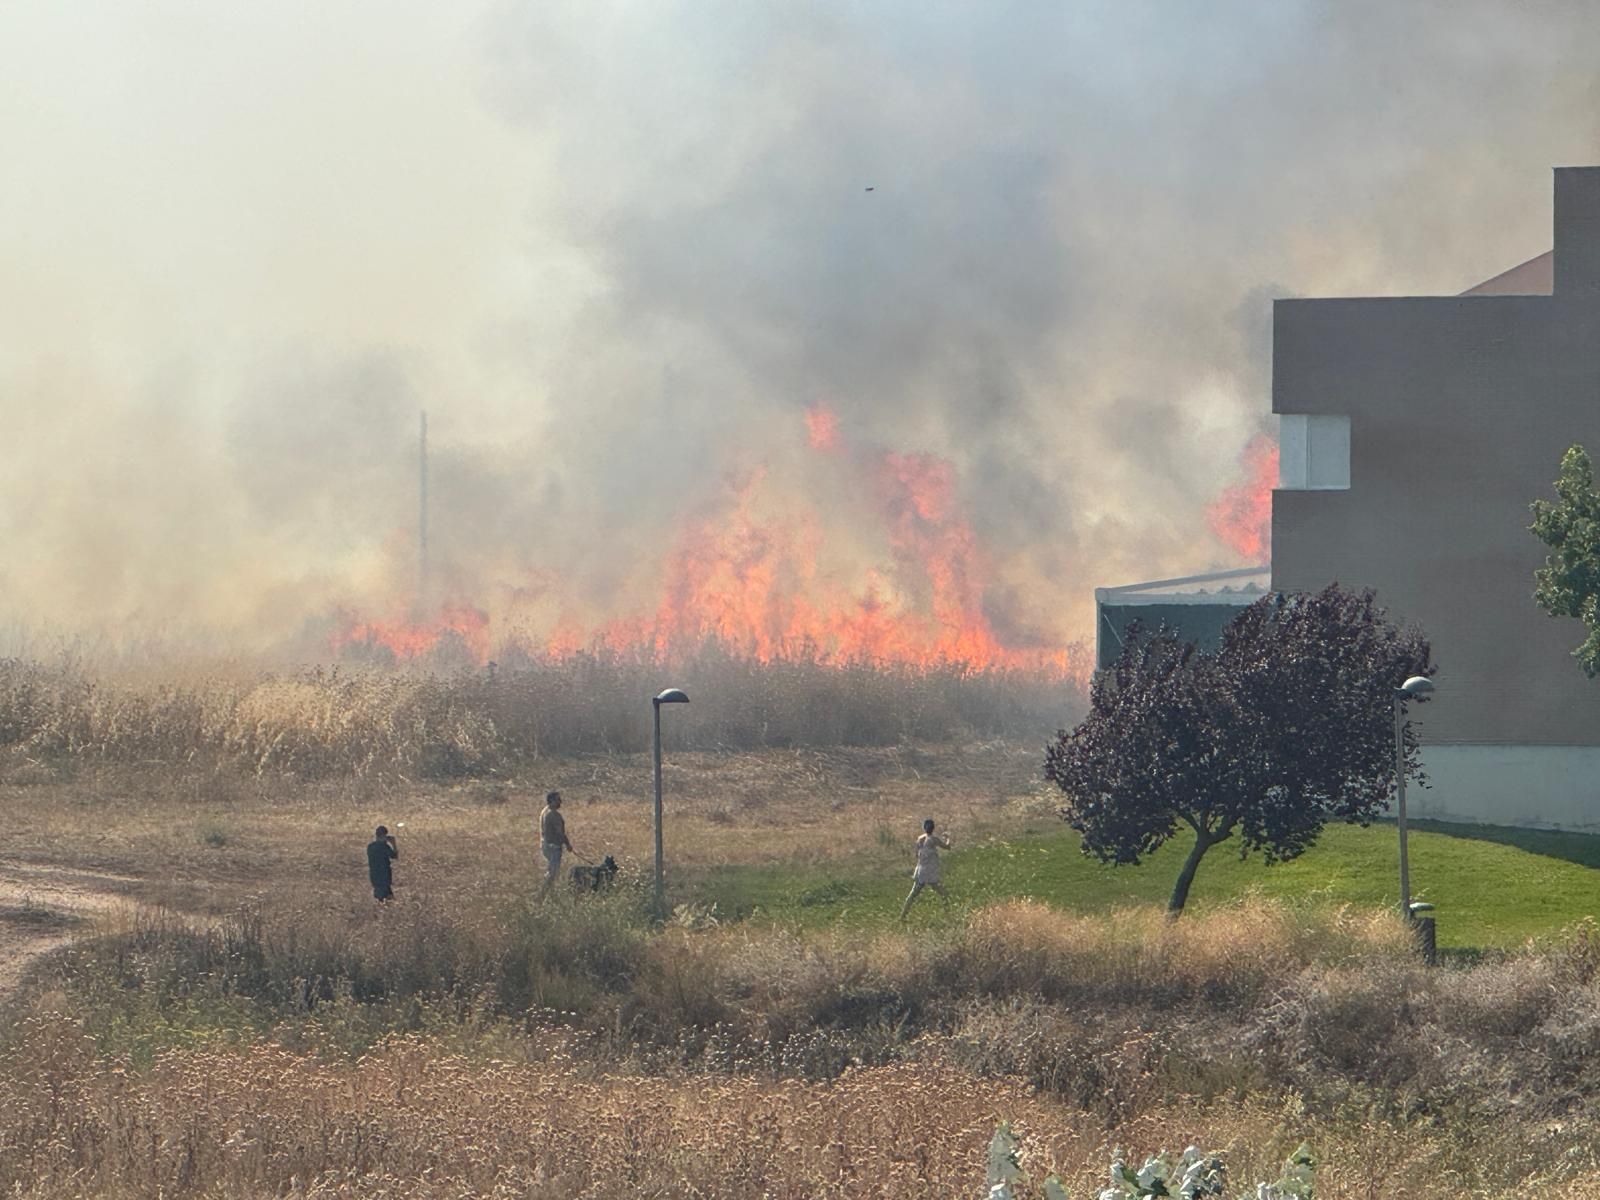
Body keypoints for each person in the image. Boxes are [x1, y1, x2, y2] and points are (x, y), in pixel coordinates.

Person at [899, 818, 952, 921]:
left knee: (912, 894)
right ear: (933, 828)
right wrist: (948, 837)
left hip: (920, 870)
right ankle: (948, 915)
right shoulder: (933, 839)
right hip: (930, 872)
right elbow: (947, 847)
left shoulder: (920, 839)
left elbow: (916, 855)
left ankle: (902, 915)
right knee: (944, 894)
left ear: (924, 828)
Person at [539, 791, 575, 899]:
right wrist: (568, 844)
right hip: (554, 847)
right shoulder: (554, 815)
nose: (560, 802)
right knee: (552, 873)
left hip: (546, 845)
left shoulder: (545, 811)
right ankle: (542, 895)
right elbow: (560, 832)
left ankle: (548, 894)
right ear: (552, 801)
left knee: (551, 872)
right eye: (558, 800)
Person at [367, 825, 399, 902]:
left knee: (384, 897)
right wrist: (394, 844)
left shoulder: (370, 846)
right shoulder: (384, 847)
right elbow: (394, 856)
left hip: (374, 875)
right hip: (384, 876)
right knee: (385, 898)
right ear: (383, 835)